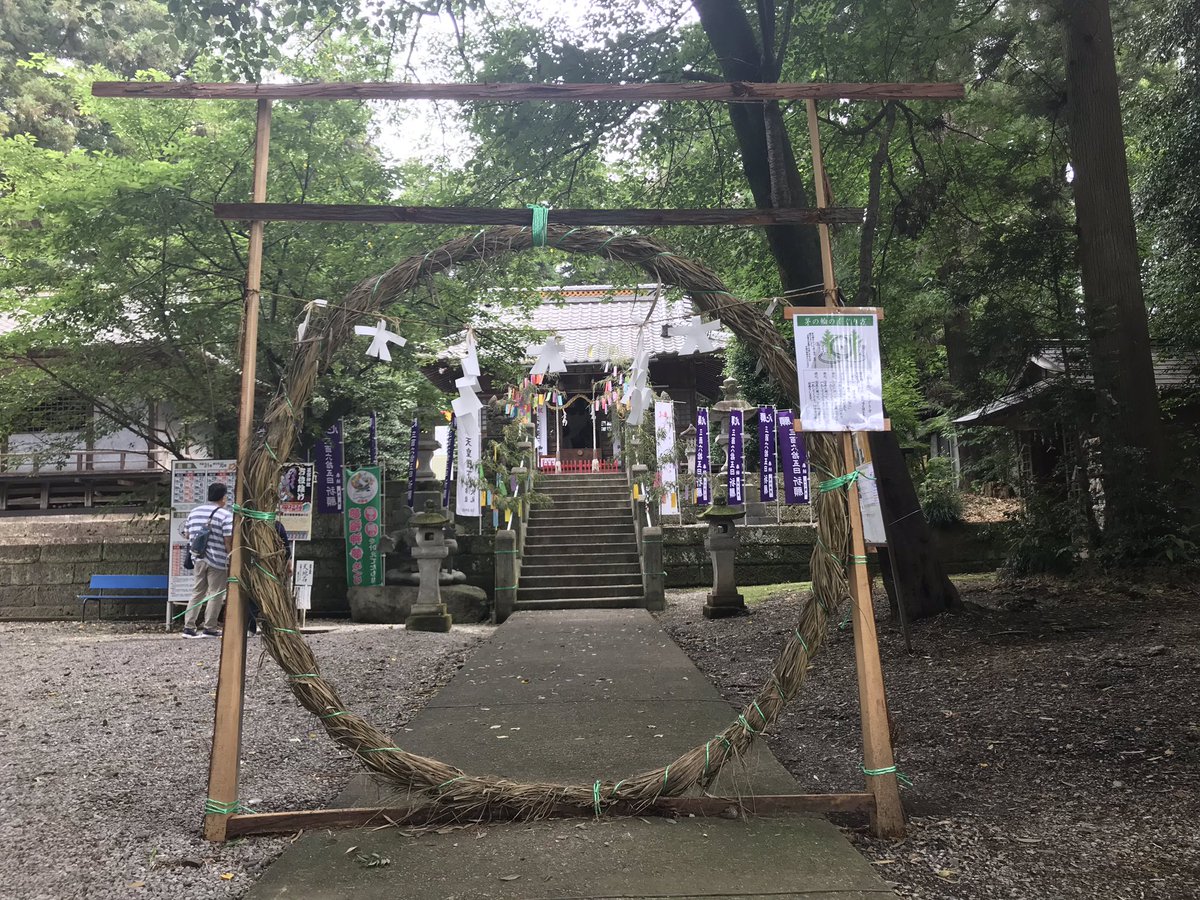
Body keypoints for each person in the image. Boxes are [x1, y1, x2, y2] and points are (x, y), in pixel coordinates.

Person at [180, 482, 235, 639]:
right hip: (217, 561)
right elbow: (228, 540)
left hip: (197, 558)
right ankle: (209, 627)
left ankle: (188, 627)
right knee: (216, 593)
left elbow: (187, 534)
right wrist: (231, 558)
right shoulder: (225, 515)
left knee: (197, 592)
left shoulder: (195, 512)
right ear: (224, 497)